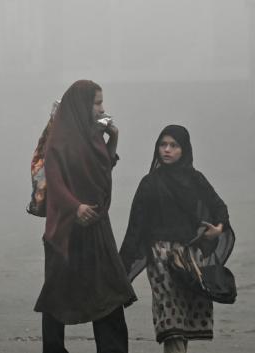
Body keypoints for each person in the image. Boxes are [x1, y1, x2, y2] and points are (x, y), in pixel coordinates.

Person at [34, 80, 137, 353]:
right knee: (57, 295)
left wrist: (113, 138)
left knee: (108, 291)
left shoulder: (94, 135)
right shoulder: (61, 138)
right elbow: (55, 181)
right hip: (66, 229)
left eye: (102, 102)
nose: (102, 108)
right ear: (82, 104)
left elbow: (103, 173)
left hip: (96, 226)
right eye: (97, 102)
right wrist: (75, 207)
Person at [119, 125, 235, 353]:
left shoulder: (195, 179)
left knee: (185, 314)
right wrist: (121, 269)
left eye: (174, 145)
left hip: (190, 257)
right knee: (170, 315)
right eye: (163, 145)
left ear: (184, 149)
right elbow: (135, 229)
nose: (167, 150)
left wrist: (217, 228)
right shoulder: (149, 183)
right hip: (160, 257)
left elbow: (219, 207)